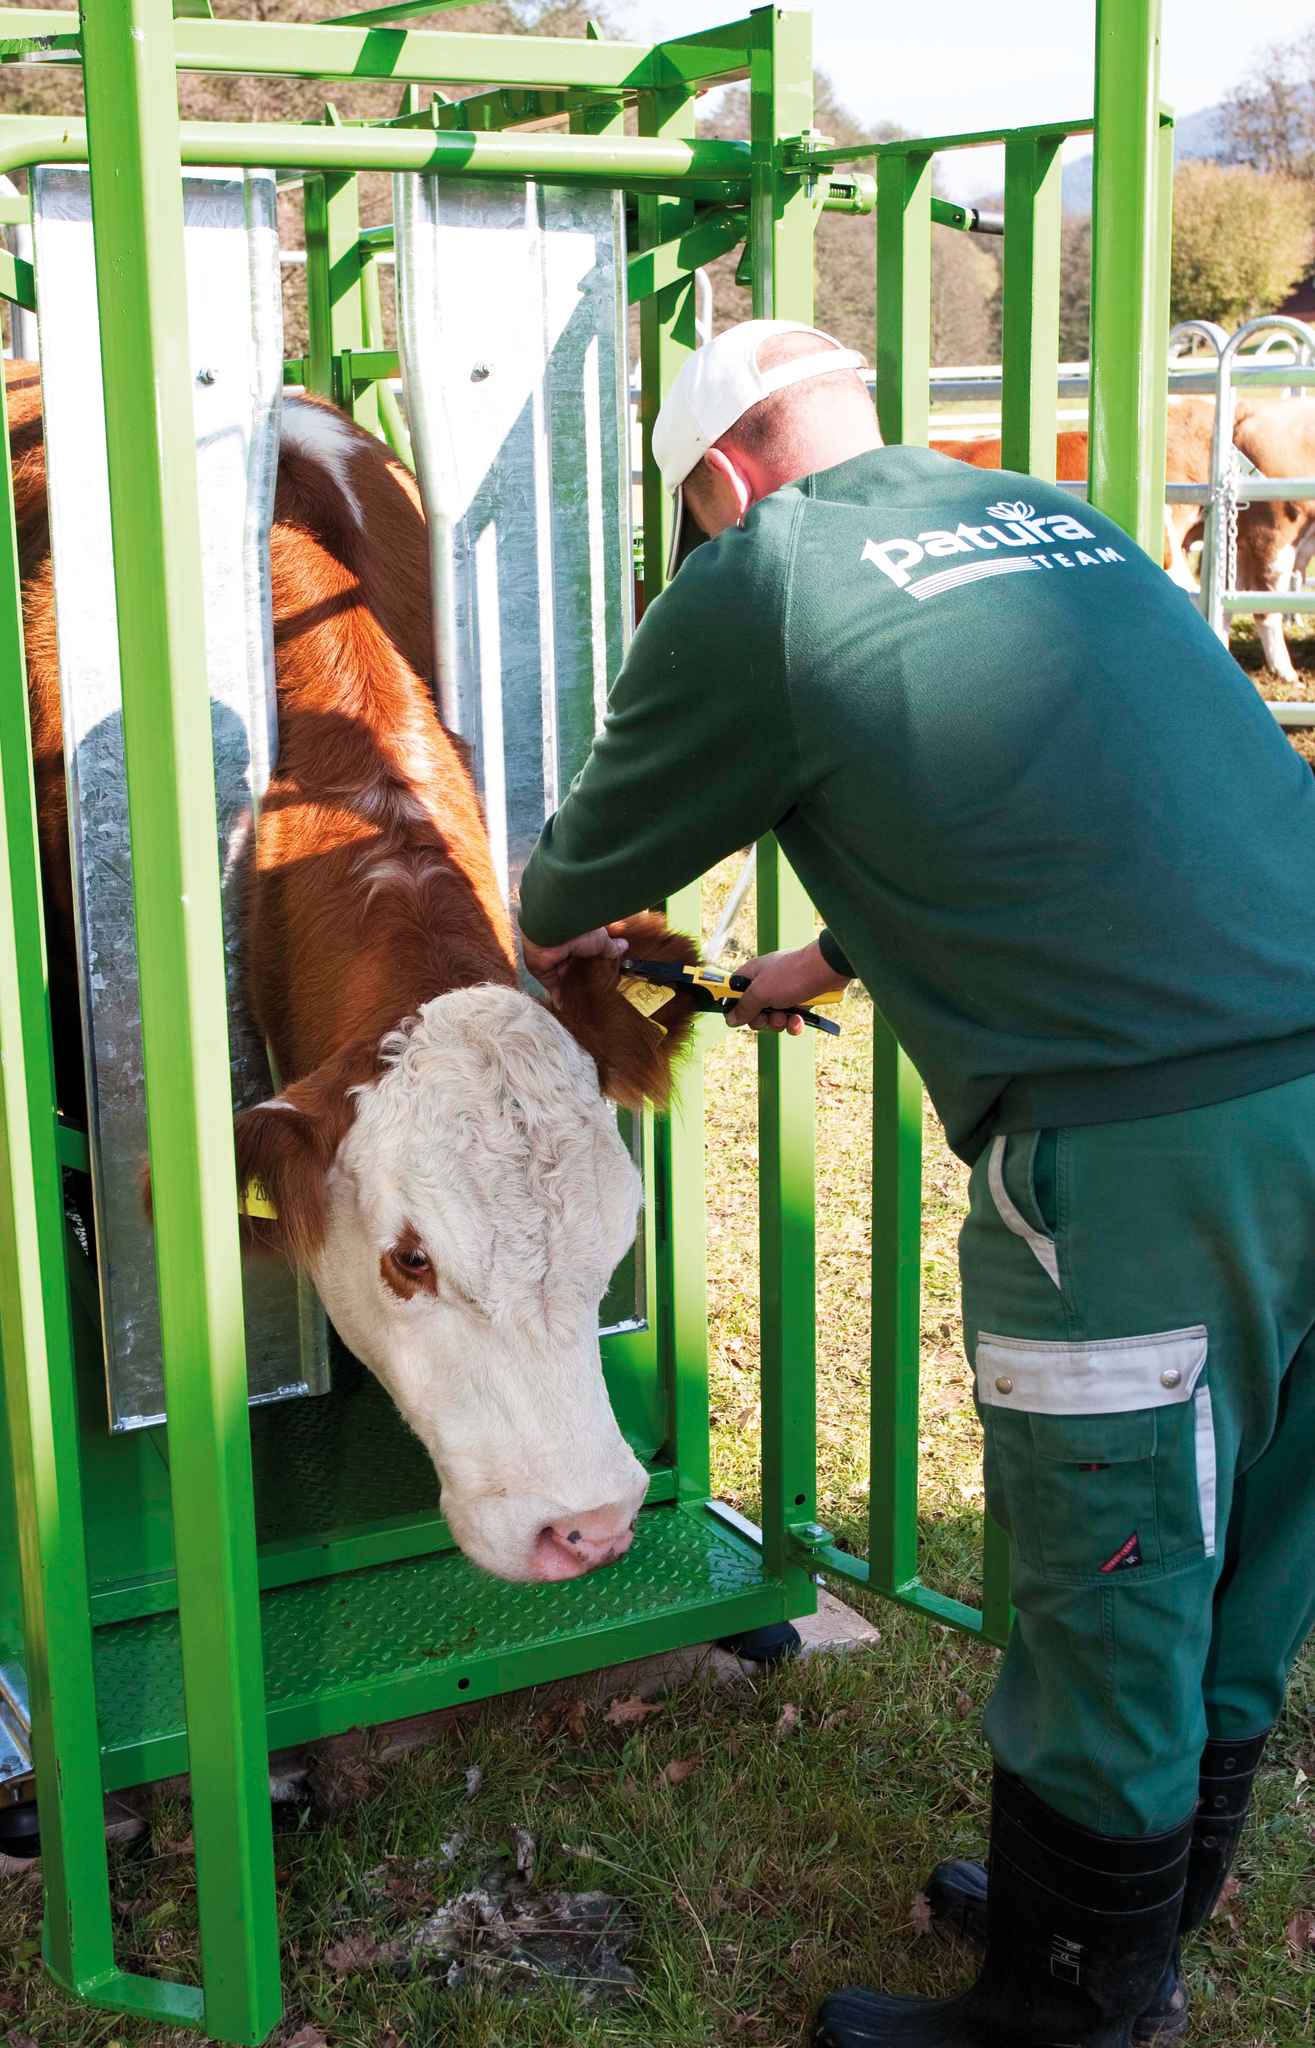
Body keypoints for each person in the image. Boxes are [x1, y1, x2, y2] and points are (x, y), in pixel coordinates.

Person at [516, 318, 1315, 2048]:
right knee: (1249, 1537)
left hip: (1144, 1147)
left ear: (723, 480)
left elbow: (572, 877)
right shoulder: (1052, 516)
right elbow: (1080, 796)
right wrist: (831, 950)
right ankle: (1129, 1917)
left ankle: (1070, 2011)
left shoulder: (764, 577)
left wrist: (569, 920)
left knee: (1116, 1563)